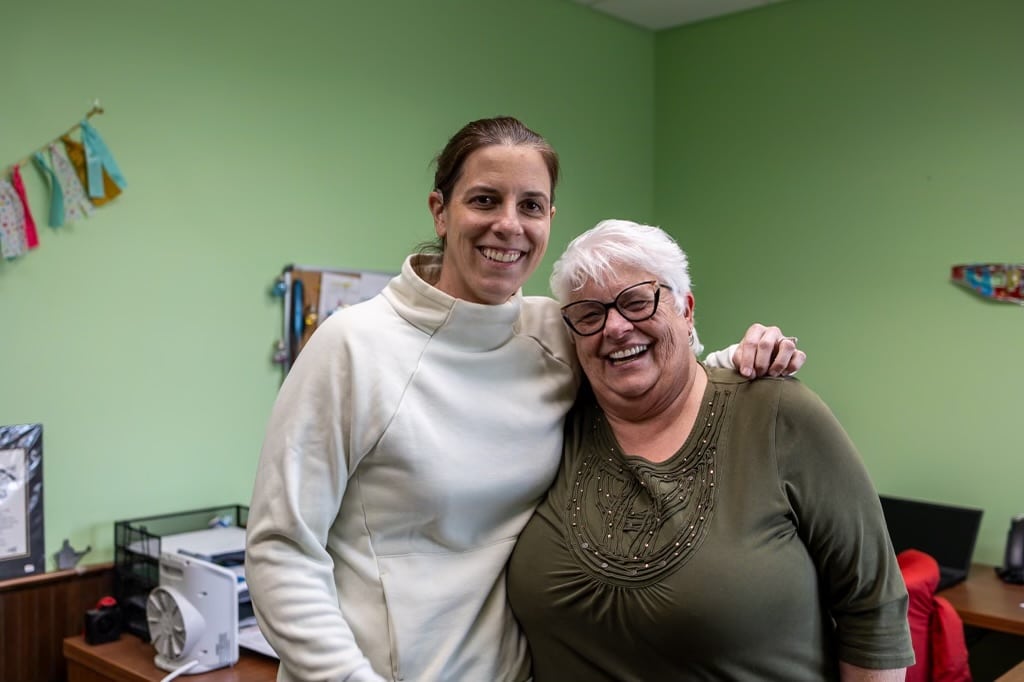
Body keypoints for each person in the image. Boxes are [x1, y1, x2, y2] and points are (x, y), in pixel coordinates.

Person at [245, 117, 805, 682]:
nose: (508, 225)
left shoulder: (555, 333)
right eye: (485, 200)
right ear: (440, 210)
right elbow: (280, 549)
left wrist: (742, 359)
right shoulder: (354, 345)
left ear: (549, 220)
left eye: (531, 206)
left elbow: (649, 381)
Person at [507, 219, 914, 681]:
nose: (615, 327)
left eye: (637, 301)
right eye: (588, 314)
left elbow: (873, 609)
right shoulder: (552, 423)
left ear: (686, 311)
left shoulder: (778, 413)